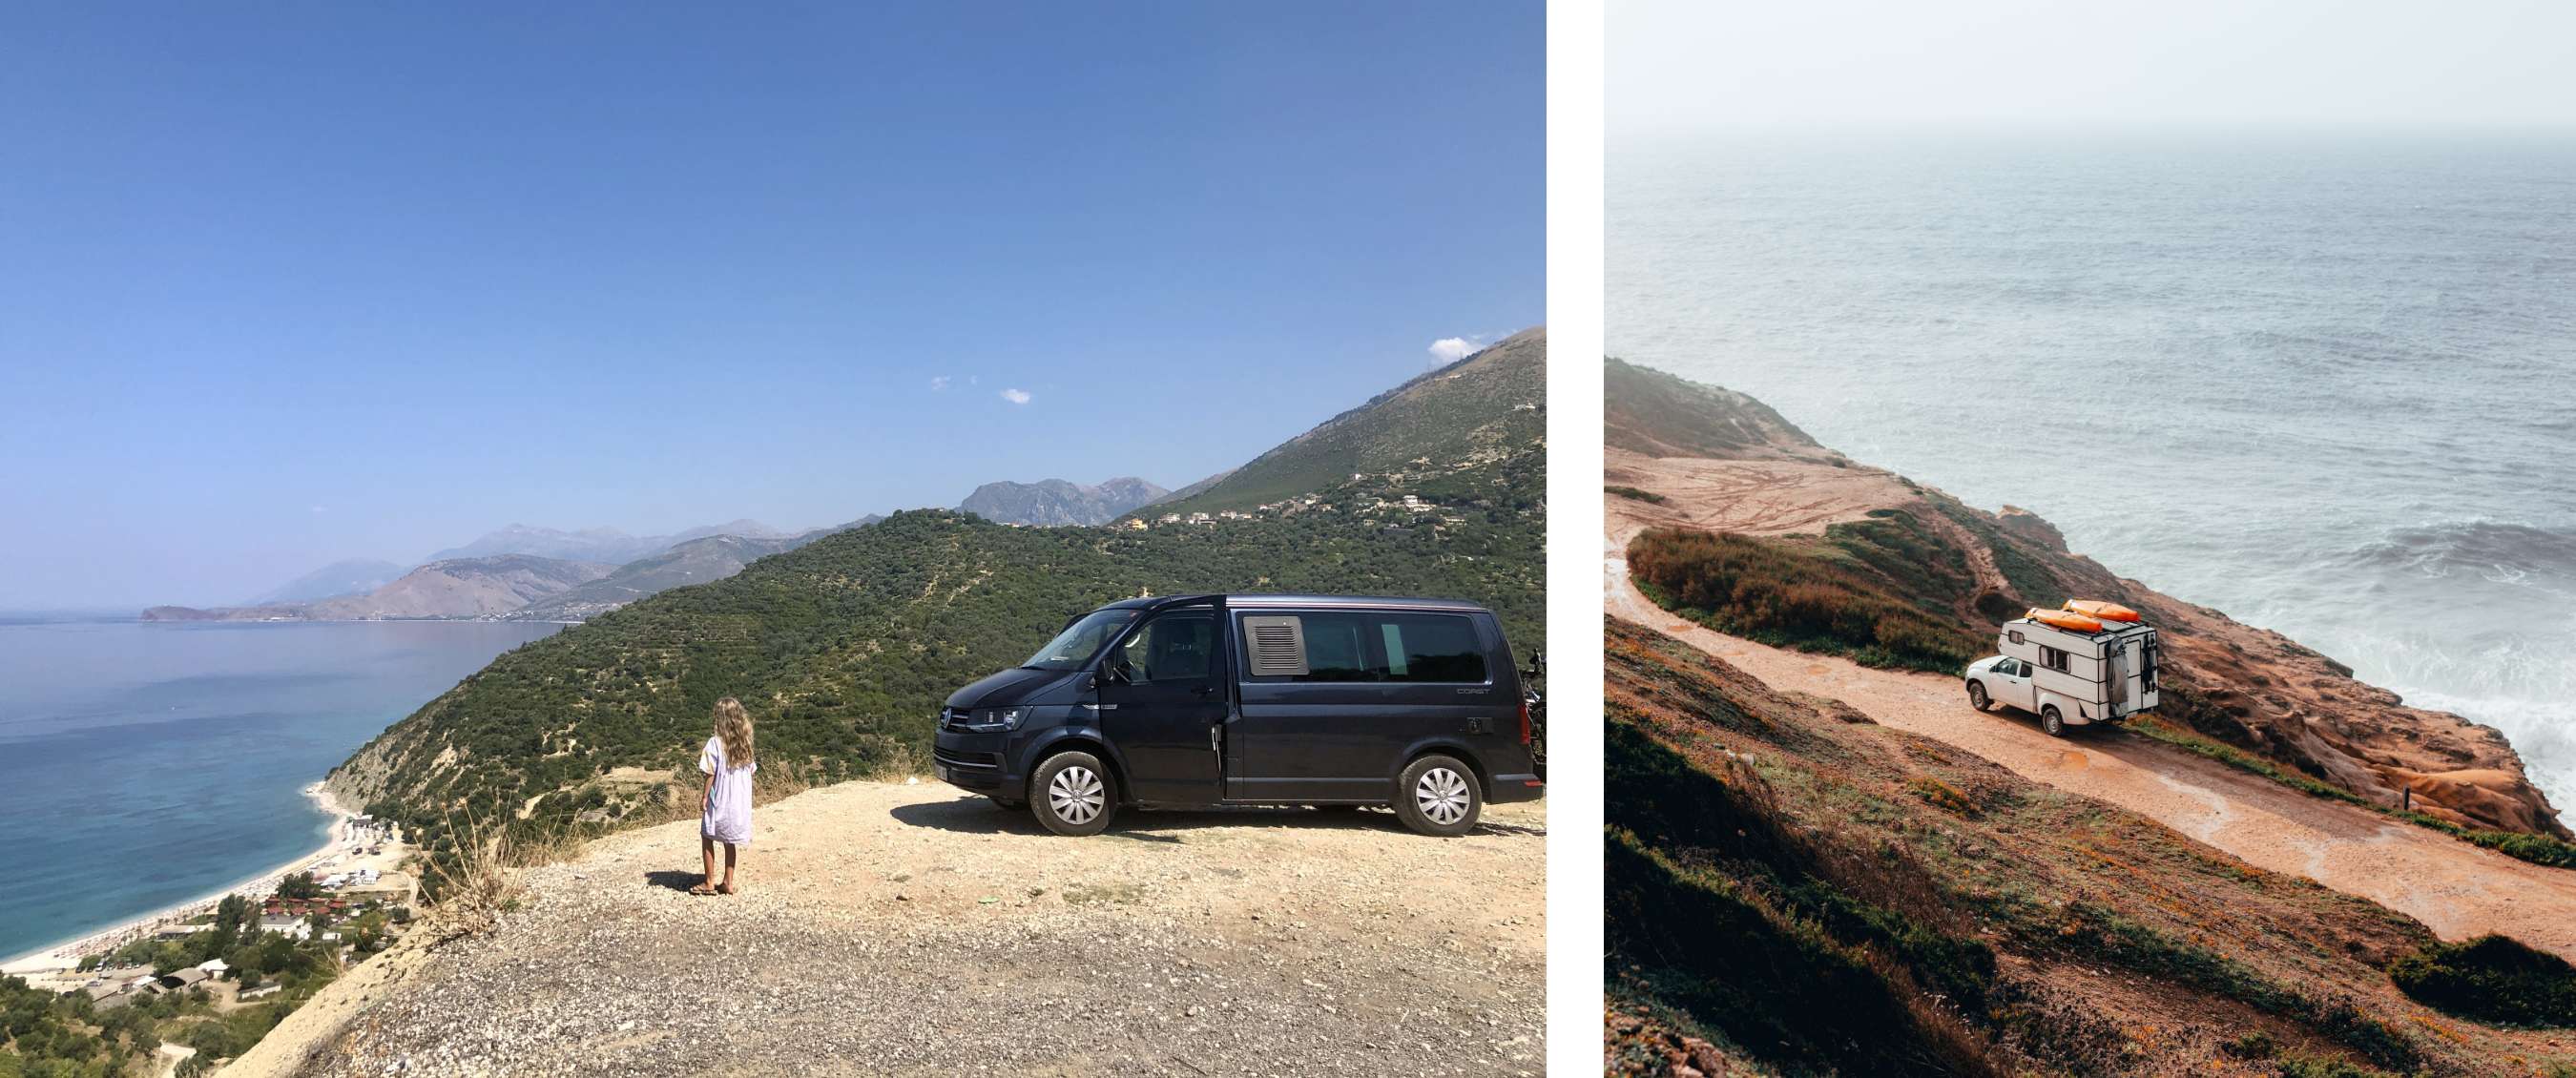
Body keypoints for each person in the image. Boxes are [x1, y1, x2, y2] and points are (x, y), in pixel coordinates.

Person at [693, 697, 758, 896]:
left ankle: (709, 881)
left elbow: (709, 773)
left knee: (707, 836)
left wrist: (704, 797)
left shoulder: (715, 744)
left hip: (719, 798)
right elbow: (751, 770)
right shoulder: (745, 743)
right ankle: (728, 882)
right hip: (738, 800)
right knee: (729, 841)